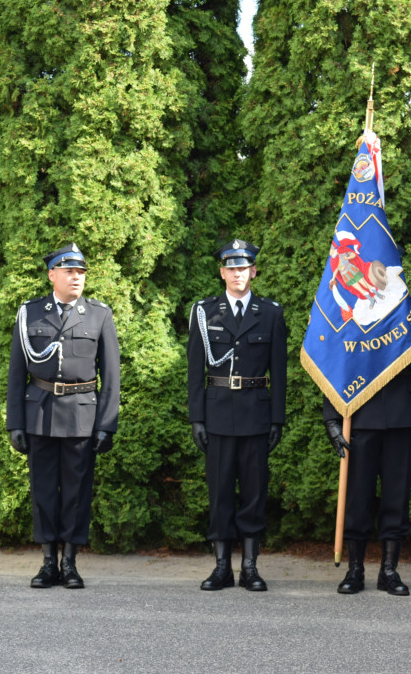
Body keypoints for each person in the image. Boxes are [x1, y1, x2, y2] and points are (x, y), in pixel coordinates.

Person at [6, 243, 120, 589]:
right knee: (43, 491)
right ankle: (46, 563)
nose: (77, 278)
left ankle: (69, 562)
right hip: (39, 411)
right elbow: (16, 372)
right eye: (70, 271)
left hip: (81, 413)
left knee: (76, 491)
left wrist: (106, 423)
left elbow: (111, 375)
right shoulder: (31, 313)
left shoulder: (99, 314)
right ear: (52, 274)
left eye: (81, 273)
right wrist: (15, 422)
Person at [187, 239, 287, 591]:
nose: (237, 274)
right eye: (231, 268)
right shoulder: (204, 312)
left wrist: (277, 420)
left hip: (256, 415)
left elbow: (279, 371)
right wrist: (196, 418)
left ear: (254, 271)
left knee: (255, 493)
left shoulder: (271, 313)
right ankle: (220, 568)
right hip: (217, 414)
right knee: (219, 494)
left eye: (243, 268)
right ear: (222, 272)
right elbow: (195, 371)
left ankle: (249, 567)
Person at [322, 295, 411, 596]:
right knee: (357, 498)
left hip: (401, 417)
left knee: (396, 498)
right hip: (359, 415)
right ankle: (355, 569)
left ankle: (389, 570)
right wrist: (332, 418)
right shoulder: (351, 308)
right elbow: (335, 362)